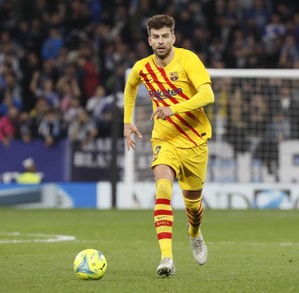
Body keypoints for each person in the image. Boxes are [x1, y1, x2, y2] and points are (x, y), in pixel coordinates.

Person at [123, 15, 215, 277]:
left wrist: (172, 109)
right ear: (149, 40)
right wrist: (127, 121)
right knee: (162, 186)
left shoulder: (188, 59)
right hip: (164, 139)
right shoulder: (143, 67)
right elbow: (130, 87)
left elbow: (208, 94)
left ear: (173, 37)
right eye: (156, 36)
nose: (161, 41)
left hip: (195, 140)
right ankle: (166, 258)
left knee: (194, 209)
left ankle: (194, 234)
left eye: (166, 36)